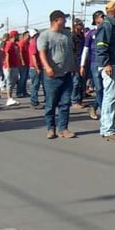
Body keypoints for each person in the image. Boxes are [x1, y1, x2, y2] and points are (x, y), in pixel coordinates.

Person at [37, 9, 76, 139]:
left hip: (67, 74)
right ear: (56, 20)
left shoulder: (66, 34)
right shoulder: (45, 35)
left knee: (65, 103)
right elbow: (42, 53)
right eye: (63, 19)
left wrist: (74, 65)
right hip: (52, 75)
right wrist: (47, 67)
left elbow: (70, 50)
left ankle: (63, 128)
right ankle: (51, 128)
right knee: (51, 103)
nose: (65, 21)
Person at [95, 0, 115, 142]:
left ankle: (107, 127)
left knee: (111, 98)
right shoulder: (106, 25)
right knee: (110, 98)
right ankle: (108, 130)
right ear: (114, 10)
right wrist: (106, 63)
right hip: (110, 65)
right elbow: (101, 46)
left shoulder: (113, 26)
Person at [81, 10, 104, 120]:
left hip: (105, 62)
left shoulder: (106, 30)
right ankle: (104, 111)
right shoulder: (91, 33)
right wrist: (82, 65)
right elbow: (85, 50)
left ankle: (94, 106)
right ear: (96, 19)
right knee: (99, 88)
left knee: (104, 89)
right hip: (94, 63)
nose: (103, 18)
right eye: (101, 16)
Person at [2, 30, 21, 106]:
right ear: (13, 36)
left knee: (14, 81)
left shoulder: (15, 45)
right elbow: (7, 54)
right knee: (9, 82)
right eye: (17, 35)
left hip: (15, 65)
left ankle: (10, 97)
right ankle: (9, 98)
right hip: (9, 66)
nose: (18, 36)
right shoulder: (9, 44)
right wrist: (8, 66)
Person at [28, 28, 44, 108]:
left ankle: (35, 101)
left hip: (38, 66)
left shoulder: (36, 43)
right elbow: (33, 56)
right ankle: (34, 102)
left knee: (37, 84)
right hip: (34, 68)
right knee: (35, 85)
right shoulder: (33, 44)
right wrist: (37, 68)